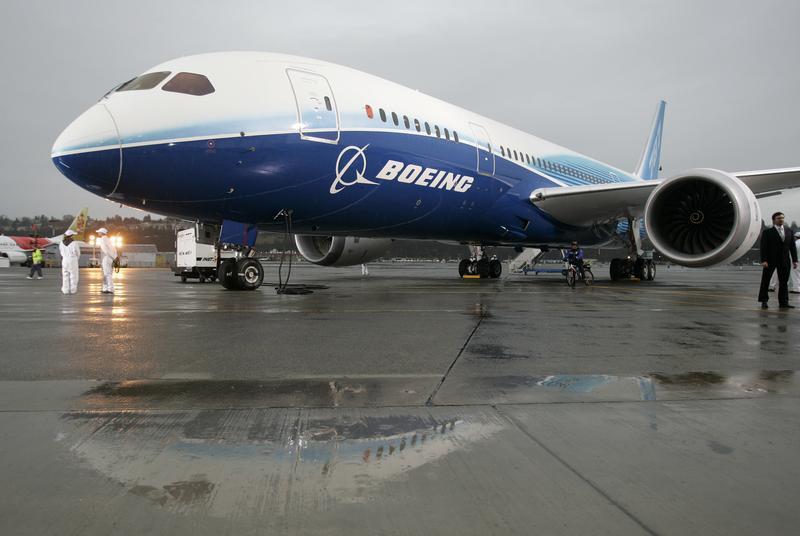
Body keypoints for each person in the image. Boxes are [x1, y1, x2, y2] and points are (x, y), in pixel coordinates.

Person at [758, 212, 798, 309]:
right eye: (779, 218)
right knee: (766, 281)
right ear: (774, 220)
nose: (781, 219)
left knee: (784, 282)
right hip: (770, 260)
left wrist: (794, 260)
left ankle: (784, 302)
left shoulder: (789, 231)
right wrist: (764, 260)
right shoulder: (768, 232)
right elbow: (764, 247)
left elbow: (792, 247)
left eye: (782, 218)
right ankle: (764, 301)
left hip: (785, 260)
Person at [96, 228, 118, 294]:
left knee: (107, 274)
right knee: (108, 274)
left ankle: (110, 289)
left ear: (102, 233)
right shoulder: (109, 239)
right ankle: (105, 288)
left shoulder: (102, 239)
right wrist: (115, 257)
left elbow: (106, 250)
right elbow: (114, 249)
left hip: (106, 258)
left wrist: (113, 257)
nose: (98, 233)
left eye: (99, 232)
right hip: (111, 258)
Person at [59, 230, 81, 295]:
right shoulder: (74, 243)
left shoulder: (61, 243)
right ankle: (73, 290)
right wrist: (76, 259)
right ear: (71, 235)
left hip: (64, 259)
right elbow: (78, 253)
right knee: (74, 275)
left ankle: (65, 290)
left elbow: (60, 251)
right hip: (72, 259)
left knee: (65, 275)